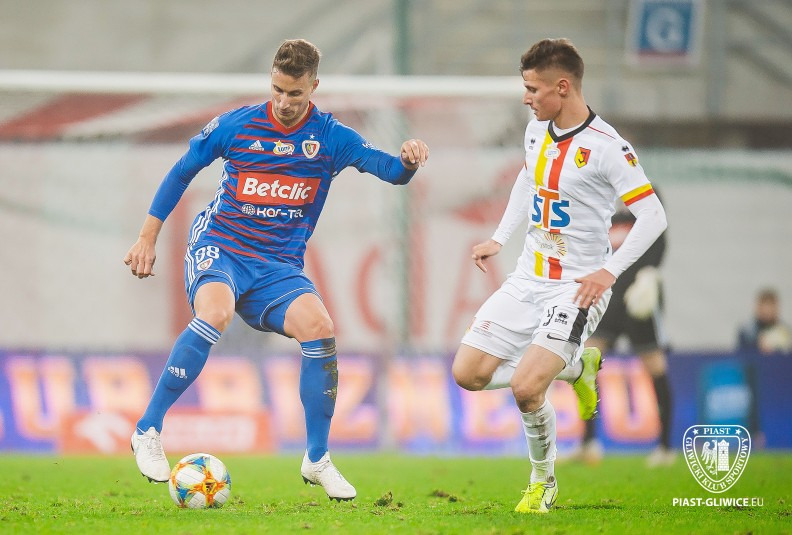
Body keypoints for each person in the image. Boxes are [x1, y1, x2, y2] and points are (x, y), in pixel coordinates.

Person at [123, 39, 429, 502]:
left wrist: (407, 160)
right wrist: (148, 236)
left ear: (314, 87)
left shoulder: (332, 138)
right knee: (216, 313)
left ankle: (317, 459)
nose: (284, 102)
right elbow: (182, 170)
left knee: (320, 328)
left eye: (295, 94)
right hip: (221, 246)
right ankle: (148, 429)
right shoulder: (237, 125)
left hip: (277, 266)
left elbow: (391, 172)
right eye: (278, 90)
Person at [450, 38, 667, 514]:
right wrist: (499, 238)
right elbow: (528, 179)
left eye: (533, 89)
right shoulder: (536, 131)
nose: (525, 97)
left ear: (562, 87)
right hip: (527, 279)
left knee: (528, 389)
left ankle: (542, 483)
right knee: (467, 374)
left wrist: (609, 271)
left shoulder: (609, 148)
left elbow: (653, 216)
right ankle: (575, 367)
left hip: (576, 288)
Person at [577, 195, 675, 468]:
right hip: (608, 297)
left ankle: (665, 447)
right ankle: (588, 443)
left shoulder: (645, 197)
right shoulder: (604, 203)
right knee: (586, 363)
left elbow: (657, 235)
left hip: (637, 298)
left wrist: (650, 273)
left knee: (655, 366)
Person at [737, 288, 792, 354]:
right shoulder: (747, 331)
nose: (767, 311)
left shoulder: (785, 331)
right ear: (758, 307)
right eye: (764, 307)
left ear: (777, 308)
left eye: (771, 307)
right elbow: (742, 353)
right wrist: (756, 343)